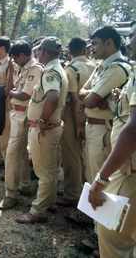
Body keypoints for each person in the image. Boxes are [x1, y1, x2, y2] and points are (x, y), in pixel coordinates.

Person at [88, 32, 136, 257]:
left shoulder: (120, 68)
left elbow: (133, 129)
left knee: (113, 233)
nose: (129, 41)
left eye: (134, 35)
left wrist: (102, 178)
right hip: (127, 165)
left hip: (129, 170)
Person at [15, 37, 68, 224]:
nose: (36, 54)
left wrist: (43, 120)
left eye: (38, 51)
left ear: (45, 52)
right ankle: (49, 201)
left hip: (45, 129)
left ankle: (37, 211)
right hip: (50, 127)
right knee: (50, 169)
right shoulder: (56, 69)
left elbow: (52, 97)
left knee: (43, 171)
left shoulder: (51, 72)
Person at [80, 26, 131, 184]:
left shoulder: (117, 68)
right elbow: (82, 92)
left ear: (109, 43)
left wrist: (93, 97)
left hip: (105, 130)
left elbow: (89, 101)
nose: (91, 48)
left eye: (95, 43)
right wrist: (92, 96)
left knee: (100, 180)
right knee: (90, 173)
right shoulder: (101, 66)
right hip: (94, 127)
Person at [0, 40, 43, 210]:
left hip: (26, 114)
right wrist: (11, 73)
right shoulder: (21, 67)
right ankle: (25, 184)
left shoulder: (35, 69)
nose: (14, 61)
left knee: (11, 153)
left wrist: (10, 92)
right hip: (16, 113)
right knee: (21, 152)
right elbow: (13, 88)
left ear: (23, 55)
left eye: (15, 58)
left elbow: (24, 95)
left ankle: (10, 193)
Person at [58, 38, 96, 207]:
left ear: (70, 50)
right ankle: (87, 188)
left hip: (74, 116)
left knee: (71, 154)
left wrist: (78, 124)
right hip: (94, 116)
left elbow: (74, 100)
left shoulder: (71, 69)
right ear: (85, 49)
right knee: (88, 156)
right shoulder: (95, 66)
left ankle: (72, 192)